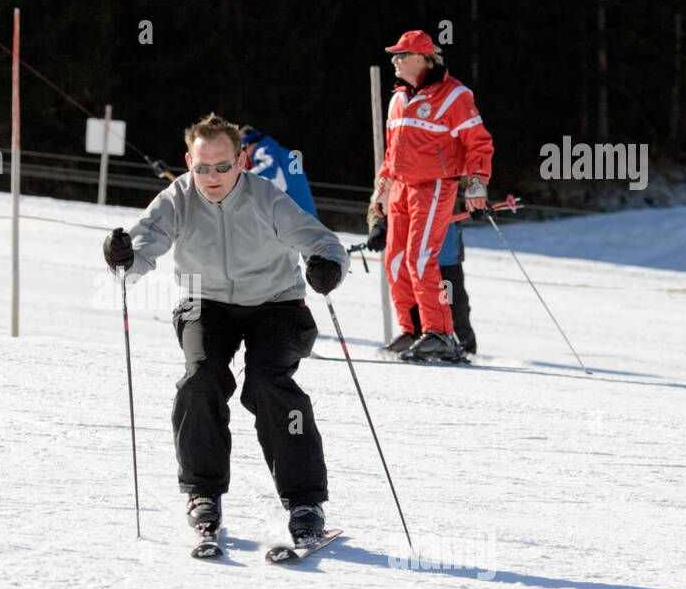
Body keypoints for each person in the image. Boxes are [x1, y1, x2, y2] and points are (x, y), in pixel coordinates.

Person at [102, 113, 349, 547]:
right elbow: (141, 250)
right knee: (201, 379)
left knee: (268, 384)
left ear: (241, 161)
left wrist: (327, 267)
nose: (211, 177)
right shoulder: (177, 198)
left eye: (222, 166)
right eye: (201, 167)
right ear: (188, 161)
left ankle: (306, 503)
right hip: (204, 300)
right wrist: (121, 256)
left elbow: (322, 241)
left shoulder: (266, 198)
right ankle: (203, 495)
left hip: (275, 302)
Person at [373, 30, 493, 361]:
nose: (394, 61)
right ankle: (412, 330)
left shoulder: (454, 96)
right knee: (394, 259)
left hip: (435, 184)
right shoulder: (398, 98)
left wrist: (476, 185)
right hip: (401, 186)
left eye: (401, 55)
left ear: (423, 59)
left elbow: (478, 143)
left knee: (420, 258)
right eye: (393, 55)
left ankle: (440, 332)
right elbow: (391, 152)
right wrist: (382, 189)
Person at [366, 189, 477, 354]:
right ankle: (419, 340)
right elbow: (382, 191)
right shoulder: (395, 166)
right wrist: (377, 224)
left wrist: (476, 196)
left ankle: (464, 350)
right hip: (410, 250)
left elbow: (468, 178)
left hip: (446, 255)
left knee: (452, 304)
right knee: (416, 302)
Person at [239, 126, 318, 217]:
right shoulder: (282, 153)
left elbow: (271, 180)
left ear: (249, 144)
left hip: (294, 222)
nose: (246, 155)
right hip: (307, 219)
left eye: (243, 149)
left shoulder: (264, 151)